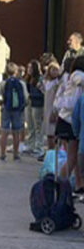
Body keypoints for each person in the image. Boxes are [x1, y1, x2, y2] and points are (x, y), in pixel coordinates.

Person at [52, 56, 84, 191]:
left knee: (75, 157)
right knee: (72, 158)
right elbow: (81, 80)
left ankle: (78, 184)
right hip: (69, 120)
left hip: (66, 119)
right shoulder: (77, 75)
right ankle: (60, 186)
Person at [0, 62, 28, 161]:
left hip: (6, 108)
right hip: (17, 110)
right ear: (17, 71)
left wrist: (1, 103)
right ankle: (16, 154)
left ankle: (2, 154)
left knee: (4, 132)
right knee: (16, 132)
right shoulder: (21, 83)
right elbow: (26, 97)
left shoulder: (3, 83)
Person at [24, 60, 45, 156]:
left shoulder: (40, 79)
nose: (28, 70)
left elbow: (43, 92)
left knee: (38, 126)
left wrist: (31, 95)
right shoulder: (28, 79)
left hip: (37, 104)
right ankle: (30, 145)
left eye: (30, 68)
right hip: (29, 104)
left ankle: (39, 147)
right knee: (30, 125)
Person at [43, 60, 62, 153]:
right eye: (52, 70)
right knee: (48, 133)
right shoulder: (46, 82)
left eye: (56, 70)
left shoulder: (57, 84)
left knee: (53, 133)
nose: (54, 72)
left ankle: (53, 152)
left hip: (53, 110)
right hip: (47, 110)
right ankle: (49, 152)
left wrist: (55, 112)